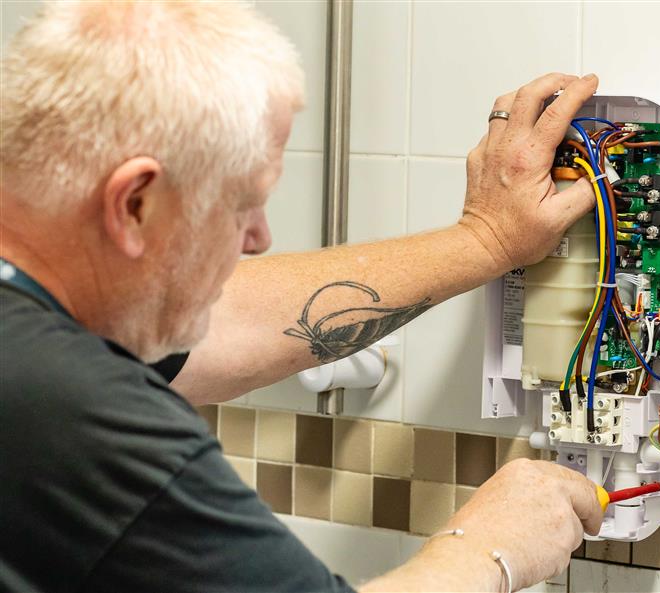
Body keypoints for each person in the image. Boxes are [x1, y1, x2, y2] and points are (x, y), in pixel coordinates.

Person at [0, 2, 602, 591]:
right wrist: (489, 549)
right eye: (243, 205)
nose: (259, 238)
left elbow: (226, 323)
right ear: (134, 204)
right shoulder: (81, 412)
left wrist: (487, 239)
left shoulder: (38, 334)